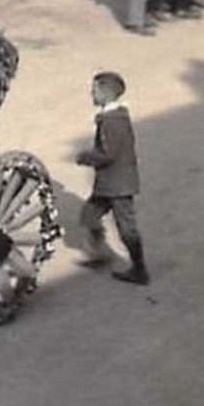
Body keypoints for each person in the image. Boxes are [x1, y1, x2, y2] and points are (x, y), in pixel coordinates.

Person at [75, 70, 148, 285]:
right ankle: (99, 254)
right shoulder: (113, 116)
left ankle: (139, 269)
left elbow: (108, 154)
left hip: (118, 185)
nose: (91, 94)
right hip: (110, 183)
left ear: (106, 94)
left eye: (94, 90)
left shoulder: (111, 121)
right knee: (89, 214)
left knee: (127, 229)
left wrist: (85, 157)